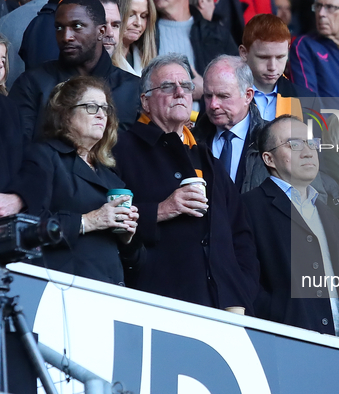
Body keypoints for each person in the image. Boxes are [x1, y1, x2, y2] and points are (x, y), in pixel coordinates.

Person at [112, 53, 259, 314]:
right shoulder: (122, 149)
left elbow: (241, 235)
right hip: (157, 304)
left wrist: (240, 290)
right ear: (145, 101)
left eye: (187, 86)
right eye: (168, 86)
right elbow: (106, 216)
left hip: (223, 308)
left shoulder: (206, 155)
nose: (180, 92)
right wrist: (161, 210)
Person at [0, 76, 141, 284]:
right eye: (92, 107)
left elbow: (135, 261)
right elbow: (27, 226)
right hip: (61, 288)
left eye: (106, 108)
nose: (102, 115)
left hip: (110, 293)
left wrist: (128, 238)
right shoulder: (44, 156)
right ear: (65, 115)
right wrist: (88, 221)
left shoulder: (111, 176)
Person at [241, 115, 339, 341]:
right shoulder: (249, 207)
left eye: (311, 143)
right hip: (287, 342)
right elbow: (245, 281)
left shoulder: (326, 212)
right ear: (269, 159)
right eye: (294, 144)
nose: (308, 152)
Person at [9, 0, 141, 144]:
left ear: (101, 32)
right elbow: (17, 149)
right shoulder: (32, 83)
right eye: (59, 28)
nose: (66, 37)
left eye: (77, 26)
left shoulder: (133, 89)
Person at [195, 55, 266, 192]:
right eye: (208, 96)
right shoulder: (191, 141)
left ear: (248, 96)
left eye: (223, 96)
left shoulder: (273, 141)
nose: (213, 105)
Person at [154, 0, 238, 109]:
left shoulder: (217, 34)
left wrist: (206, 89)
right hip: (152, 123)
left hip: (205, 124)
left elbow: (241, 86)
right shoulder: (141, 34)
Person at [239, 13, 320, 123]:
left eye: (280, 57)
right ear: (244, 53)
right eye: (263, 57)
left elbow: (314, 140)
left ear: (288, 51)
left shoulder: (307, 100)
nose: (272, 67)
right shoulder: (223, 96)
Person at [112, 0, 157, 76]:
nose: (138, 23)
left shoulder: (145, 59)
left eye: (143, 16)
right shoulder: (100, 59)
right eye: (131, 15)